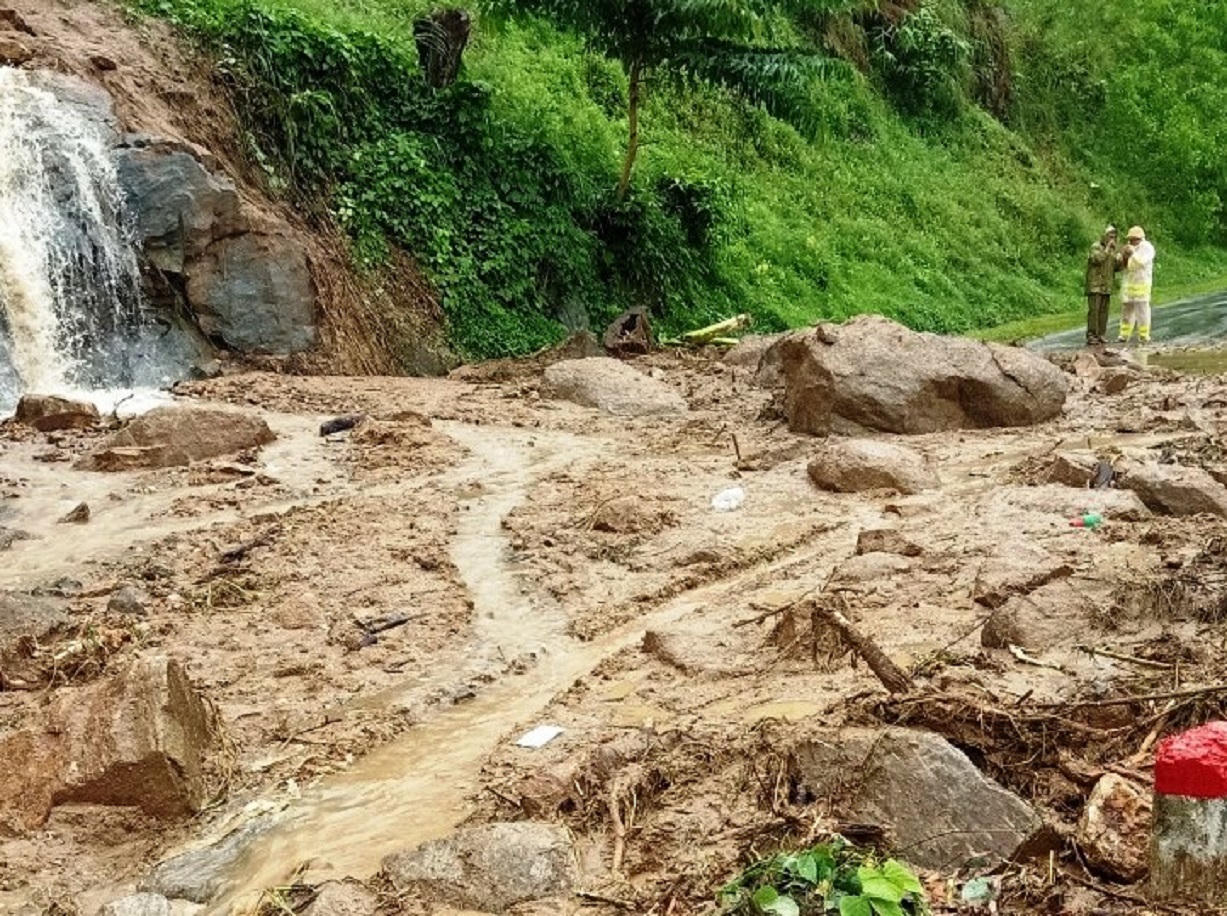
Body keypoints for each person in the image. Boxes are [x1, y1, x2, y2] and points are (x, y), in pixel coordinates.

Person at [1118, 225, 1156, 344]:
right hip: (1128, 287)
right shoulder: (1128, 248)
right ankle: (1124, 335)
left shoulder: (1147, 248)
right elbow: (1121, 264)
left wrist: (1132, 253)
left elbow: (1140, 262)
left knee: (1142, 312)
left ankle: (1144, 335)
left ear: (1140, 238)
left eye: (1134, 239)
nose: (1132, 241)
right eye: (1130, 239)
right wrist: (1123, 255)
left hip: (1142, 285)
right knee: (1126, 312)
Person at [1084, 225, 1118, 346]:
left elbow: (1116, 266)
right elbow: (1097, 259)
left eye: (1114, 237)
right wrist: (1108, 249)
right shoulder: (1096, 247)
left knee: (1104, 312)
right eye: (1110, 236)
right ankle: (1091, 335)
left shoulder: (1113, 250)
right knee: (1094, 311)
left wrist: (1124, 257)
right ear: (1104, 236)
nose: (1112, 239)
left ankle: (1101, 334)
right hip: (1095, 285)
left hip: (1106, 285)